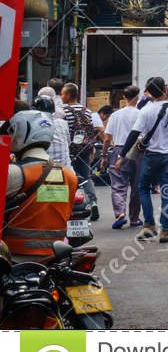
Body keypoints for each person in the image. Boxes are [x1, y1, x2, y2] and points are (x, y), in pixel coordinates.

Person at [3, 110, 78, 259]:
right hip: (56, 254)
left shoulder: (15, 173)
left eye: (11, 132)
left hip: (16, 254)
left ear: (20, 133)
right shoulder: (70, 176)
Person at [128, 76, 168, 243]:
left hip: (150, 155)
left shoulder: (145, 110)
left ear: (149, 92)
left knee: (143, 188)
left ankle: (149, 225)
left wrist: (122, 155)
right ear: (165, 90)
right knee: (166, 193)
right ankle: (165, 231)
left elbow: (134, 133)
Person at [60, 83, 101, 217]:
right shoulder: (86, 110)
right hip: (85, 148)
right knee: (86, 177)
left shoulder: (63, 111)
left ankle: (72, 205)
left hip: (70, 149)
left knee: (69, 177)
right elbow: (90, 131)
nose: (61, 97)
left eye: (62, 94)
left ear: (69, 95)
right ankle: (93, 203)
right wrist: (92, 147)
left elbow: (64, 132)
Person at [103, 92, 141, 229]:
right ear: (137, 98)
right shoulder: (140, 114)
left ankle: (120, 213)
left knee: (118, 184)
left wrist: (103, 156)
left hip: (119, 150)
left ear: (124, 97)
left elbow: (107, 138)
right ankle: (135, 218)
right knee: (137, 186)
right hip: (137, 151)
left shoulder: (115, 115)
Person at [33, 90, 72, 168]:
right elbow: (68, 142)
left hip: (42, 170)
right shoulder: (62, 123)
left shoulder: (34, 124)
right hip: (66, 170)